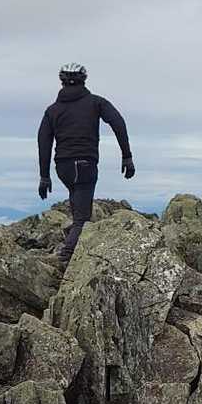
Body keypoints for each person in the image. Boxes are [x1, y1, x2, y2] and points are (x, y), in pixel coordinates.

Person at [38, 63, 135, 260]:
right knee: (83, 218)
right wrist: (127, 156)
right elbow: (118, 123)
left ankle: (71, 240)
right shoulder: (96, 103)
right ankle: (66, 255)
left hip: (63, 168)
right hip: (85, 165)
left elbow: (43, 142)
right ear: (84, 80)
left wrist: (44, 176)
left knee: (76, 203)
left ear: (62, 82)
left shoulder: (52, 110)